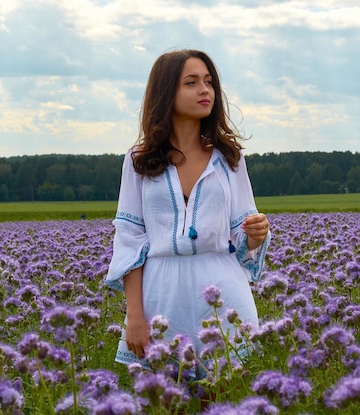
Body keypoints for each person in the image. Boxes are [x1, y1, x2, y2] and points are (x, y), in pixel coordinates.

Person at [104, 49, 271, 378]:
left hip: (224, 294)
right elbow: (130, 239)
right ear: (167, 92)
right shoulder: (139, 160)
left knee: (223, 399)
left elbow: (242, 241)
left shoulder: (229, 158)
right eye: (191, 82)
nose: (205, 90)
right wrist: (134, 316)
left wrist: (256, 235)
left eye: (209, 82)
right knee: (167, 398)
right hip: (160, 297)